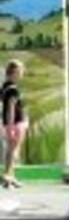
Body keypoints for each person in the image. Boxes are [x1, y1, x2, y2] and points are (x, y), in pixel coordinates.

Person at [2, 60, 27, 189]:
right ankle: (8, 176)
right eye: (20, 71)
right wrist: (11, 128)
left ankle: (11, 177)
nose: (22, 74)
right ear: (14, 73)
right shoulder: (13, 90)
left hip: (9, 123)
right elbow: (10, 109)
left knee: (11, 150)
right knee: (13, 151)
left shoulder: (4, 86)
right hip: (16, 124)